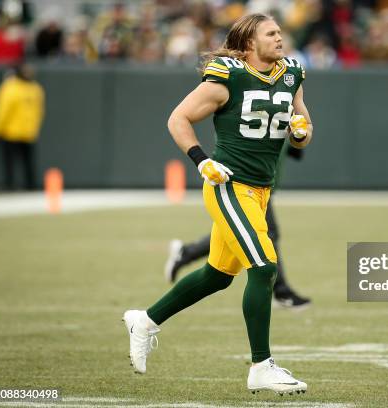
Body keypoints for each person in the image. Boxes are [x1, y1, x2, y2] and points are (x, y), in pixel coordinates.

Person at [123, 13, 312, 395]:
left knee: (217, 276)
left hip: (261, 190)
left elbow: (303, 130)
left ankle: (145, 320)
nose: (280, 38)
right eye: (270, 34)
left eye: (279, 31)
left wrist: (301, 131)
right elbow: (178, 119)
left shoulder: (292, 72)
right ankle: (261, 365)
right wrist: (201, 159)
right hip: (229, 185)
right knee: (263, 266)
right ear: (248, 44)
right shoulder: (228, 76)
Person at [164, 145, 311, 310]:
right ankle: (281, 290)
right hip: (246, 184)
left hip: (262, 184)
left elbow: (296, 147)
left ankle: (186, 252)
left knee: (238, 233)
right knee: (263, 234)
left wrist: (297, 136)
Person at [0, 63, 45, 190]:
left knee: (11, 161)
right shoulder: (35, 88)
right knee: (26, 161)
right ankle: (29, 185)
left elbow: (2, 111)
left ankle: (11, 184)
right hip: (25, 131)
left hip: (12, 131)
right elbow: (39, 112)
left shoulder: (10, 88)